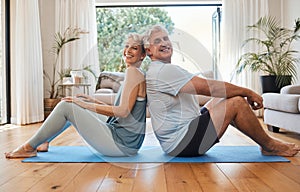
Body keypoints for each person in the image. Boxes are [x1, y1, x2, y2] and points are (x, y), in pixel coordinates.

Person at [143, 25, 300, 157]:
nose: (164, 43)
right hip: (182, 143)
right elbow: (210, 88)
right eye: (157, 41)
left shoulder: (162, 70)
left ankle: (267, 144)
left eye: (165, 38)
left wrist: (241, 92)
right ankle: (270, 145)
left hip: (179, 140)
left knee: (228, 97)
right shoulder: (163, 71)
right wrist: (248, 92)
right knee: (237, 103)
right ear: (149, 51)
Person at [5, 33, 147, 158]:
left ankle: (28, 148)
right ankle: (44, 141)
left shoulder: (133, 73)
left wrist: (86, 105)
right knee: (74, 102)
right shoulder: (136, 73)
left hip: (121, 143)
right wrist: (92, 100)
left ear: (143, 55)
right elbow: (124, 111)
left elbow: (122, 112)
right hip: (128, 142)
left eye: (134, 48)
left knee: (68, 106)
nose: (128, 51)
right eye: (127, 46)